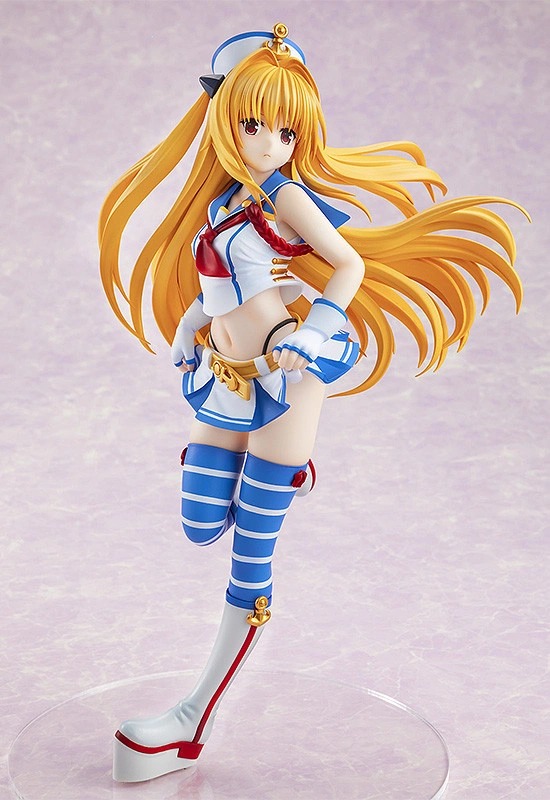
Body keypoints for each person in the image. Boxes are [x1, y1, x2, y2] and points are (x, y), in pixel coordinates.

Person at [99, 24, 525, 782]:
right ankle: (285, 477)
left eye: (286, 130)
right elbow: (224, 279)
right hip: (225, 376)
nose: (269, 143)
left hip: (285, 376)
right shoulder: (225, 199)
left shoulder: (286, 195)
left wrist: (315, 328)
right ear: (222, 117)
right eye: (253, 123)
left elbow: (348, 264)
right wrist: (193, 324)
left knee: (248, 561)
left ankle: (191, 722)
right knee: (199, 522)